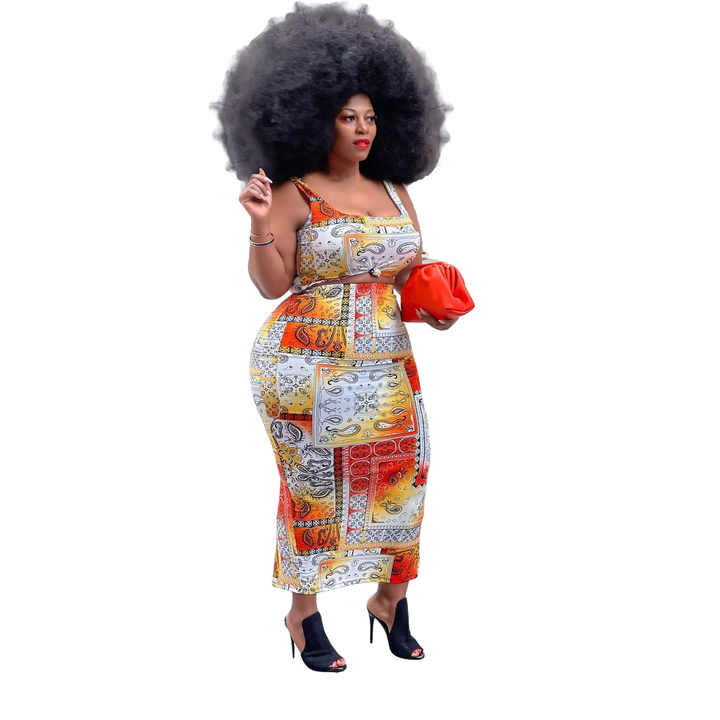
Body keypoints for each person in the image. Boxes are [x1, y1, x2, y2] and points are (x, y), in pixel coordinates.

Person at [211, 1, 458, 672]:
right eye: (348, 116)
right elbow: (272, 284)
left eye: (371, 116)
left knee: (403, 475)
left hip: (385, 361)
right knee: (315, 489)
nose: (363, 128)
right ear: (314, 114)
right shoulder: (293, 192)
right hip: (303, 362)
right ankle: (303, 614)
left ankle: (390, 600)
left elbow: (403, 275)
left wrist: (433, 308)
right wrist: (259, 222)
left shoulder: (397, 190)